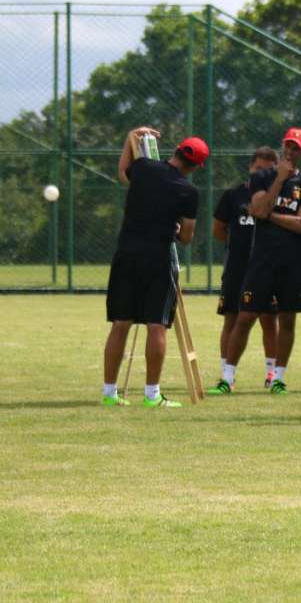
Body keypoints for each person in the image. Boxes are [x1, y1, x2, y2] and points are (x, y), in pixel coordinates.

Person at [102, 128, 206, 408]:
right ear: (196, 166)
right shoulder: (188, 191)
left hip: (126, 254)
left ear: (176, 151)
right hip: (158, 258)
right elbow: (186, 237)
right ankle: (152, 395)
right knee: (156, 325)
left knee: (120, 324)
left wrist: (129, 138)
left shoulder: (144, 168)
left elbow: (123, 172)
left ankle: (109, 393)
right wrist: (174, 228)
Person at [222, 128, 301, 396]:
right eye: (287, 145)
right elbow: (259, 208)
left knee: (287, 319)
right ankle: (227, 378)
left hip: (294, 260)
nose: (290, 151)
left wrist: (267, 215)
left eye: (296, 147)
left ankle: (279, 378)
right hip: (262, 258)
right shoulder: (261, 177)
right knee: (246, 317)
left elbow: (300, 224)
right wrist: (280, 179)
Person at [209, 147, 279, 394]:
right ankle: (227, 375)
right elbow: (218, 229)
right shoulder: (233, 195)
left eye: (268, 169)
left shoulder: (277, 198)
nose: (262, 173)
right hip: (237, 269)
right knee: (232, 319)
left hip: (267, 268)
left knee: (269, 320)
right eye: (258, 168)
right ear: (250, 168)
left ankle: (272, 374)